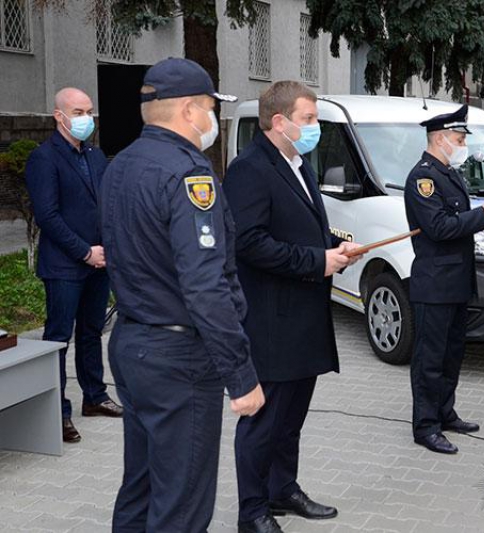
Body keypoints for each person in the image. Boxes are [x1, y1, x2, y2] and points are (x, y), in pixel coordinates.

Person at [101, 58, 264, 533]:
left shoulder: (119, 164)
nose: (214, 119)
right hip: (179, 359)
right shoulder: (190, 175)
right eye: (212, 108)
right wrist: (241, 375)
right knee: (182, 504)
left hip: (132, 345)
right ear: (191, 110)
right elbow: (205, 284)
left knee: (142, 484)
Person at [224, 81, 362, 533]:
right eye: (309, 118)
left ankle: (283, 490)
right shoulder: (250, 169)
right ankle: (252, 511)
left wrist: (338, 249)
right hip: (272, 321)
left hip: (304, 317)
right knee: (263, 423)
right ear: (279, 121)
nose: (315, 127)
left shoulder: (297, 162)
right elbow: (250, 244)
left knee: (291, 420)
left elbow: (303, 229)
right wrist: (317, 260)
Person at [404, 104, 484, 455]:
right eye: (459, 137)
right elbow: (439, 228)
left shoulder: (448, 172)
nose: (463, 143)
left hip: (456, 280)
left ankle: (445, 412)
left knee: (451, 355)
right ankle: (425, 426)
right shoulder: (423, 177)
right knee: (429, 359)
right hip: (434, 284)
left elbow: (460, 218)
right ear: (440, 138)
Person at [25, 87, 122, 444]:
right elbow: (48, 216)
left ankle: (94, 397)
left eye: (89, 111)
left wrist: (107, 248)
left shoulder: (95, 156)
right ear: (59, 116)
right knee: (58, 339)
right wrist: (84, 252)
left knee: (91, 333)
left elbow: (106, 203)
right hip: (66, 266)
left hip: (100, 262)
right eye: (78, 112)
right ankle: (57, 411)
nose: (86, 119)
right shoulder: (44, 158)